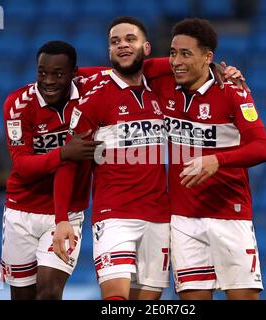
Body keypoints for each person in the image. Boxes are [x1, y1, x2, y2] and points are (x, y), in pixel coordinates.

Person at [53, 17, 249, 300]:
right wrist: (62, 219)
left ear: (146, 47)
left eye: (129, 39)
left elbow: (179, 65)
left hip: (159, 218)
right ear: (108, 51)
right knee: (115, 299)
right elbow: (69, 162)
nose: (122, 45)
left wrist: (215, 68)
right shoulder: (94, 98)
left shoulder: (162, 88)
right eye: (115, 41)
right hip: (113, 216)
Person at [149, 18, 266, 300]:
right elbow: (126, 68)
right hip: (183, 219)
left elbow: (261, 149)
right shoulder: (163, 86)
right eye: (172, 52)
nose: (176, 61)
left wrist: (217, 160)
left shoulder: (233, 93)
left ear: (208, 57)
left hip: (230, 215)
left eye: (185, 54)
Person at [0, 40, 102, 300]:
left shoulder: (88, 91)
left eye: (58, 74)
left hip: (67, 213)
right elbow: (22, 166)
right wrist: (64, 153)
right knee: (22, 296)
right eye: (42, 72)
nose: (48, 80)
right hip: (21, 210)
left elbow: (131, 68)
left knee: (48, 291)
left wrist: (208, 67)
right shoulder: (18, 104)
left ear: (74, 73)